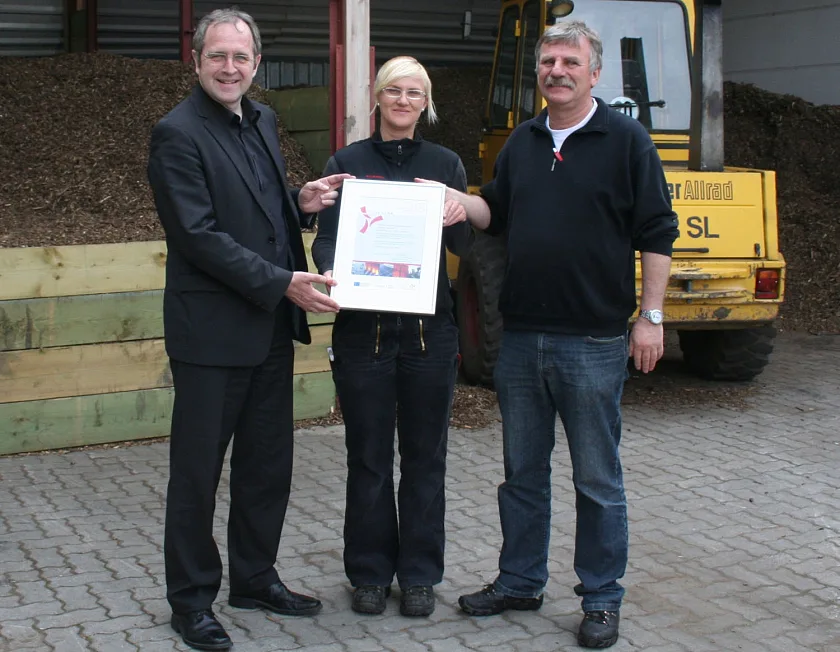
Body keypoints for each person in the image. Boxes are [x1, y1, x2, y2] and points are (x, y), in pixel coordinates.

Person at [434, 21, 679, 649]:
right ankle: (519, 580)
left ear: (594, 72)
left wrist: (650, 318)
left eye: (570, 60)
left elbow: (657, 234)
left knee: (597, 479)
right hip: (520, 340)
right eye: (547, 61)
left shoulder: (628, 142)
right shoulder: (523, 140)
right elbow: (497, 212)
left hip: (593, 342)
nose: (557, 70)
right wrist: (455, 201)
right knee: (522, 472)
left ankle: (600, 598)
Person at [147, 8, 350, 651]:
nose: (230, 68)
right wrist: (281, 282)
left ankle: (255, 577)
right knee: (198, 472)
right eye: (218, 56)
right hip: (211, 336)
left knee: (267, 465)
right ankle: (191, 601)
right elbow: (198, 235)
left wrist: (301, 201)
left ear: (256, 64)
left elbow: (257, 207)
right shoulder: (176, 134)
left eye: (241, 57)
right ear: (197, 61)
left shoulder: (259, 119)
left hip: (266, 328)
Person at [312, 56, 473, 618]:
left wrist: (459, 214)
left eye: (415, 94)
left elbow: (465, 250)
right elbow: (325, 243)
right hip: (364, 336)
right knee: (369, 458)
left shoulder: (445, 163)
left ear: (426, 103)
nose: (404, 102)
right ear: (376, 97)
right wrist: (340, 275)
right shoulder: (347, 165)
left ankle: (421, 574)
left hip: (430, 337)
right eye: (394, 92)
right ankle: (370, 573)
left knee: (426, 458)